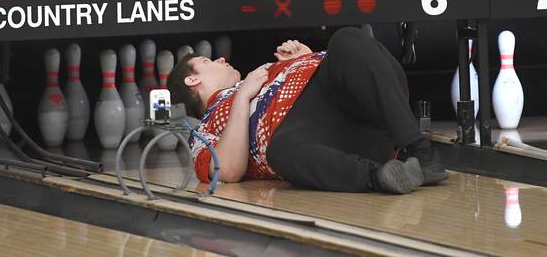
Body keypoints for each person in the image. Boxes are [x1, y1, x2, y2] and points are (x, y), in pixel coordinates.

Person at [166, 27, 448, 194]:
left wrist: (309, 59)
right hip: (321, 142)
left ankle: (420, 153)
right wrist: (242, 96)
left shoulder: (265, 71)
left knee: (346, 39)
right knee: (280, 151)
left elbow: (349, 67)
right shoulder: (203, 132)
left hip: (360, 103)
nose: (222, 58)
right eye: (208, 61)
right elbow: (226, 170)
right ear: (193, 80)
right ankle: (380, 177)